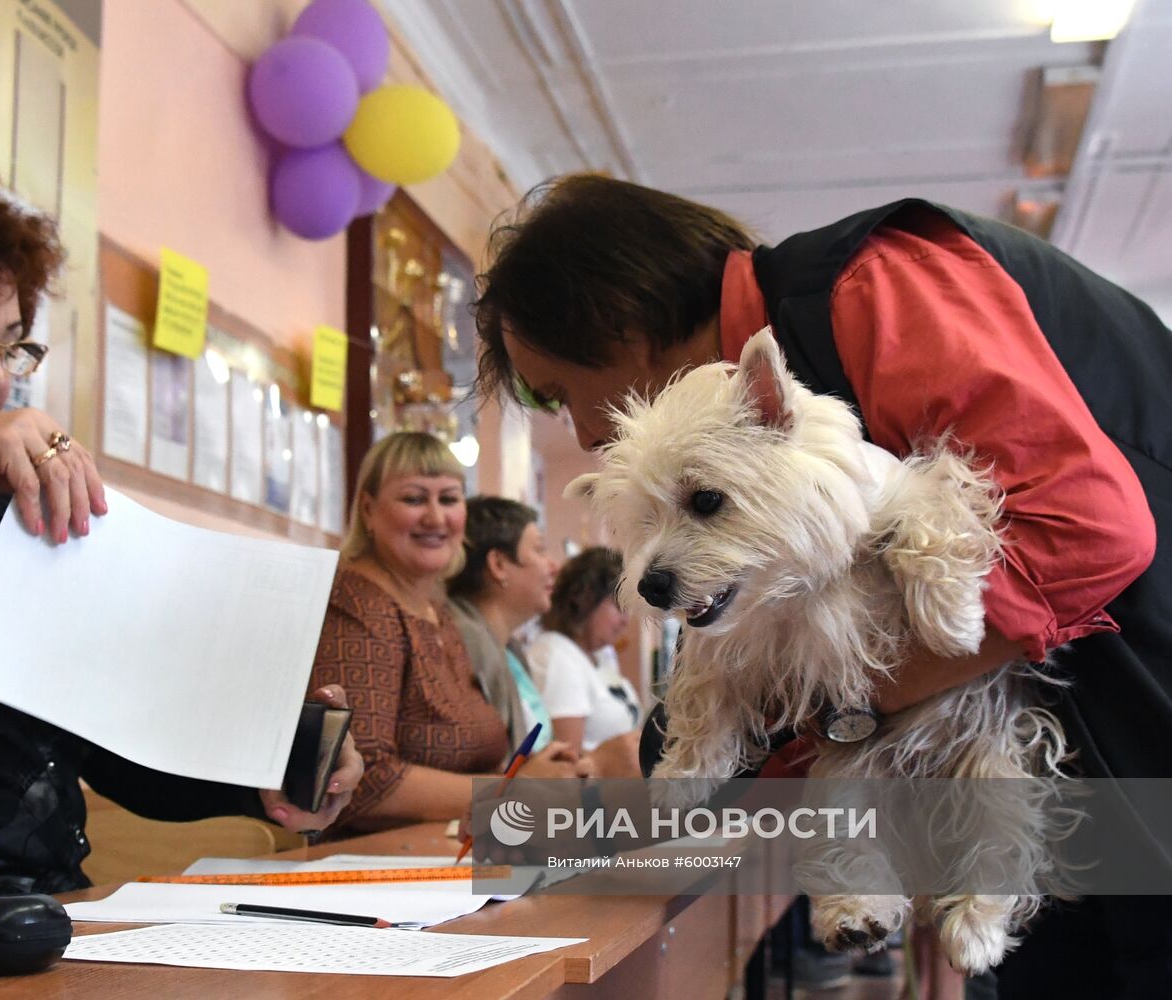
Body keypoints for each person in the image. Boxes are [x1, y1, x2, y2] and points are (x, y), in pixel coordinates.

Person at [473, 173, 1170, 996]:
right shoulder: (777, 405)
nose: (584, 433)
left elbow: (1086, 532)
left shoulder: (866, 287)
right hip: (1084, 790)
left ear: (614, 316)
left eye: (558, 394)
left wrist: (847, 711)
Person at [0, 159, 363, 897]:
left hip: (45, 924)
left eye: (12, 345)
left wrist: (268, 762)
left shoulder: (4, 512)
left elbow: (108, 748)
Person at [309, 432, 577, 833]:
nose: (435, 518)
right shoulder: (357, 602)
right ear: (367, 508)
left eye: (449, 499)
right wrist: (514, 790)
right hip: (374, 866)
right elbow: (365, 781)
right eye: (414, 498)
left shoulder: (436, 608)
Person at [446, 495, 558, 749]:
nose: (553, 566)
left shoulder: (509, 648)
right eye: (539, 549)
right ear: (498, 564)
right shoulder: (463, 640)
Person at [529, 547, 643, 777]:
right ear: (585, 598)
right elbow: (568, 762)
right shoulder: (556, 654)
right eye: (619, 606)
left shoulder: (599, 656)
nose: (625, 620)